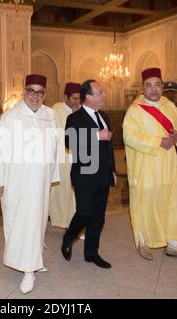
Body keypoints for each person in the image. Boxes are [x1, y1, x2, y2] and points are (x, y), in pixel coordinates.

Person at [0, 74, 59, 294]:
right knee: (20, 222)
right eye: (31, 91)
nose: (35, 96)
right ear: (24, 92)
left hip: (40, 182)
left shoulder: (50, 115)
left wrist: (51, 174)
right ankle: (28, 269)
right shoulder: (10, 117)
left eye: (40, 92)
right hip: (17, 182)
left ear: (44, 95)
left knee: (37, 222)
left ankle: (32, 262)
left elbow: (54, 148)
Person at [122, 68, 177, 261]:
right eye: (149, 86)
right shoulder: (135, 110)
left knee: (174, 201)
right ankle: (143, 242)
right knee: (146, 203)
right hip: (146, 166)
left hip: (170, 165)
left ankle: (174, 244)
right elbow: (129, 137)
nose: (154, 90)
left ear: (162, 86)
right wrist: (159, 142)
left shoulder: (169, 106)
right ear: (143, 88)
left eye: (157, 85)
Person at [61, 79, 117, 269]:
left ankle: (91, 253)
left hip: (103, 174)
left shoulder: (105, 117)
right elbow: (69, 142)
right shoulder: (75, 118)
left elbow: (108, 148)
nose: (104, 95)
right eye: (100, 92)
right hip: (85, 174)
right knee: (84, 212)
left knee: (98, 216)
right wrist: (96, 136)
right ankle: (68, 237)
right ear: (88, 96)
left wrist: (113, 171)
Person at [49, 82, 81, 229]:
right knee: (63, 191)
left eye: (79, 98)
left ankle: (75, 223)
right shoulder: (56, 110)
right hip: (63, 157)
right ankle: (64, 221)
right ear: (65, 97)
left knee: (77, 192)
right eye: (74, 98)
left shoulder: (82, 110)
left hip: (79, 156)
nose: (77, 102)